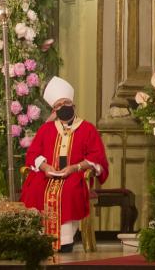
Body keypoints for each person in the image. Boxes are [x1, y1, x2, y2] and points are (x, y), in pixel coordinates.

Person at [21, 77, 109, 252]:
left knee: (68, 191)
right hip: (48, 174)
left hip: (74, 174)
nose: (63, 107)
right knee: (36, 188)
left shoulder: (87, 128)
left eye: (66, 103)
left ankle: (65, 241)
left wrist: (76, 167)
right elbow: (32, 154)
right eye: (59, 105)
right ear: (54, 110)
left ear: (73, 105)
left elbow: (97, 156)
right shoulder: (46, 129)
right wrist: (46, 167)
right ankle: (39, 239)